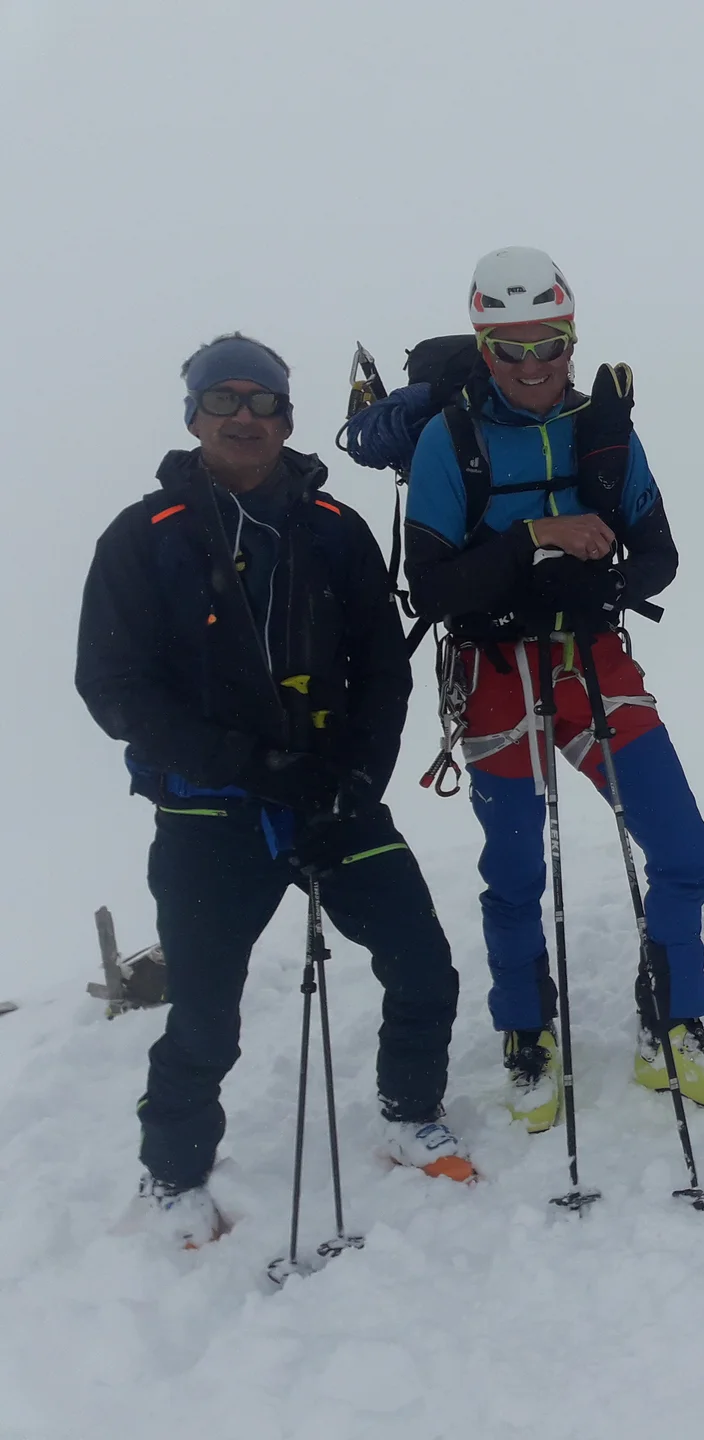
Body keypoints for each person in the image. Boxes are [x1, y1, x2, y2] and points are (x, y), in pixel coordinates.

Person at [76, 333, 469, 1249]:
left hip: (333, 792)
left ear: (288, 419)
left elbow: (382, 671)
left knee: (422, 961)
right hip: (206, 807)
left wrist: (357, 779)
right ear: (195, 418)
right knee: (206, 1006)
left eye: (262, 402)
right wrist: (248, 764)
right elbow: (115, 689)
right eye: (225, 401)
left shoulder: (335, 527)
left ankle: (410, 1113)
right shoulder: (144, 537)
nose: (244, 417)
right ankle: (174, 1167)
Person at [404, 246, 704, 1118]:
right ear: (485, 350)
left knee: (680, 848)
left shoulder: (603, 428)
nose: (533, 365)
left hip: (590, 661)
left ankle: (670, 1023)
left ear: (573, 339)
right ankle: (527, 1034)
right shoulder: (447, 441)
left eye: (549, 343)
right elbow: (433, 586)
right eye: (511, 348)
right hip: (494, 674)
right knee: (517, 867)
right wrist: (536, 542)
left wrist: (600, 583)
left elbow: (661, 556)